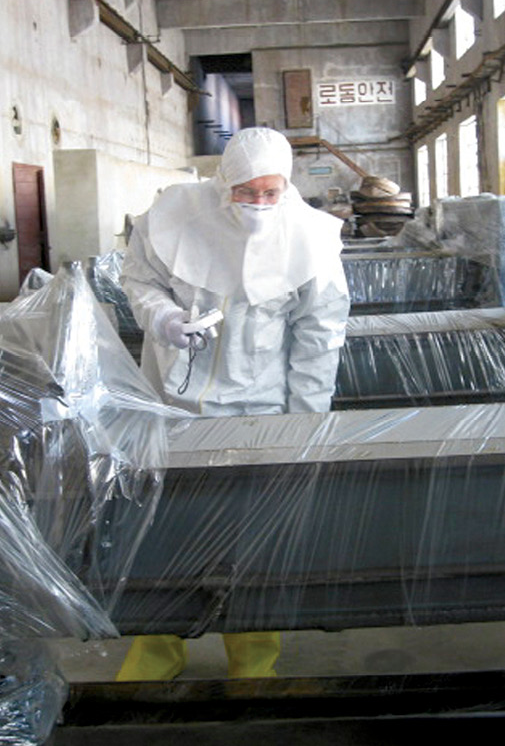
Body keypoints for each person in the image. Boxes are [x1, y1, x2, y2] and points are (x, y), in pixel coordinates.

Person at [118, 127, 350, 680]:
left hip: (261, 413)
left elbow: (320, 337)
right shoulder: (173, 217)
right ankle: (154, 653)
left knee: (253, 543)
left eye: (271, 193)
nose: (259, 204)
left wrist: (305, 425)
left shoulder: (309, 239)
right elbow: (139, 281)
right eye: (247, 192)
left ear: (287, 188)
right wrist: (165, 318)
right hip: (175, 407)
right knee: (164, 533)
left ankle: (253, 662)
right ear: (223, 182)